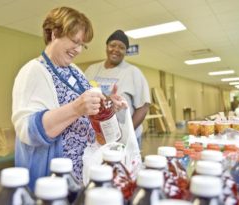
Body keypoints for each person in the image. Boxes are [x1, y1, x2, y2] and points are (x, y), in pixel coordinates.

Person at [12, 7, 127, 191]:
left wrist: (108, 104)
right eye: (75, 42)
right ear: (55, 33)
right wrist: (75, 109)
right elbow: (27, 131)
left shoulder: (75, 71)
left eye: (83, 45)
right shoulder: (33, 71)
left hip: (81, 177)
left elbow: (88, 106)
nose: (79, 50)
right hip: (55, 180)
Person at [85, 30, 151, 148]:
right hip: (95, 137)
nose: (116, 49)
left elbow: (143, 107)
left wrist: (126, 134)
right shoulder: (92, 70)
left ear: (126, 51)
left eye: (121, 47)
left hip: (123, 139)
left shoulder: (133, 72)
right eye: (112, 45)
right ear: (106, 47)